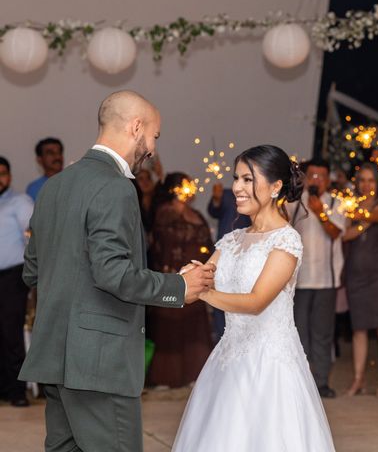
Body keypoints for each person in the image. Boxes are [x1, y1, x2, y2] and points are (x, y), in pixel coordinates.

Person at [19, 90, 214, 452]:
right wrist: (177, 286)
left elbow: (32, 270)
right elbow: (112, 273)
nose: (153, 148)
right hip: (98, 363)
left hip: (56, 359)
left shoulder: (55, 186)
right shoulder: (115, 187)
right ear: (136, 127)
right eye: (154, 135)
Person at [173, 145, 335, 451]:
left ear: (275, 187)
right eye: (237, 178)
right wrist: (188, 275)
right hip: (228, 362)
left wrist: (204, 292)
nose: (237, 187)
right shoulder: (232, 239)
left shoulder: (287, 240)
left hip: (270, 367)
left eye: (248, 179)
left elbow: (256, 302)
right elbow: (202, 276)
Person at [146, 173, 215, 388]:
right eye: (186, 184)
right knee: (170, 327)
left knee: (194, 327)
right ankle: (165, 376)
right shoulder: (165, 213)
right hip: (173, 276)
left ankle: (194, 375)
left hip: (196, 277)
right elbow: (163, 243)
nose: (191, 187)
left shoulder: (196, 214)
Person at [287, 158, 346, 399]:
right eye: (312, 175)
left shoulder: (336, 203)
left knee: (323, 332)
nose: (316, 181)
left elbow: (335, 233)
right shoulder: (294, 204)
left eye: (321, 176)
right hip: (299, 280)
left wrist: (321, 213)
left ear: (328, 179)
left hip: (326, 280)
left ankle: (321, 381)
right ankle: (299, 381)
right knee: (299, 332)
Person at [343, 162, 378, 398]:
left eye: (371, 180)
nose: (366, 185)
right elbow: (345, 234)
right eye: (362, 180)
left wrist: (361, 218)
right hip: (356, 270)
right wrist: (366, 219)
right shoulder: (351, 204)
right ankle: (358, 378)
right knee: (359, 327)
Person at [0, 157, 33, 407]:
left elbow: (33, 236)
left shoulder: (19, 202)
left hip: (12, 277)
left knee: (11, 333)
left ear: (9, 176)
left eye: (2, 173)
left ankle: (17, 391)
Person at [207, 181, 251, 341]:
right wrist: (217, 199)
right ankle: (222, 339)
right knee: (220, 296)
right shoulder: (227, 194)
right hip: (226, 255)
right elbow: (213, 210)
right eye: (236, 177)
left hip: (248, 256)